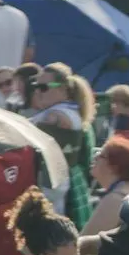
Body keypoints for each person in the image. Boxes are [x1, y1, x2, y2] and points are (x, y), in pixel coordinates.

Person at [30, 62, 96, 228]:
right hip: (57, 183)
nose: (37, 91)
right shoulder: (69, 112)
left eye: (43, 87)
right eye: (36, 86)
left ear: (62, 89)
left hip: (50, 186)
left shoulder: (56, 116)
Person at [79, 136, 129, 255]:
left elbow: (82, 245)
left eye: (101, 155)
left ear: (114, 167)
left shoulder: (116, 198)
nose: (95, 157)